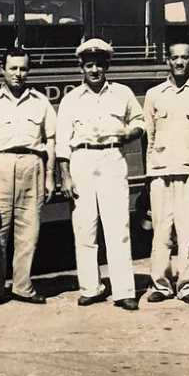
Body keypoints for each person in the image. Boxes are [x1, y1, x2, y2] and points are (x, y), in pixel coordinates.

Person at [56, 38, 145, 311]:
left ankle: (123, 291)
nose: (94, 70)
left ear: (107, 66)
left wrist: (129, 133)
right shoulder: (71, 99)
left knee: (118, 228)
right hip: (82, 160)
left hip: (111, 158)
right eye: (89, 65)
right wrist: (66, 176)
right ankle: (91, 288)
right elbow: (62, 141)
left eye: (99, 65)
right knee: (85, 228)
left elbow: (140, 122)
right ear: (81, 67)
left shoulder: (122, 94)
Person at [0, 46, 55, 304]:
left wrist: (50, 176)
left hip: (32, 165)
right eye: (13, 68)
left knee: (29, 230)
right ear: (2, 70)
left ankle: (23, 286)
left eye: (23, 69)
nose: (18, 74)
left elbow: (50, 140)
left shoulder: (41, 102)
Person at [143, 42, 189, 305]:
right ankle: (161, 285)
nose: (179, 62)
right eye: (174, 58)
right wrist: (151, 174)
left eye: (185, 57)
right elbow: (149, 137)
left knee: (188, 232)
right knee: (161, 232)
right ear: (167, 61)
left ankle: (187, 285)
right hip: (161, 174)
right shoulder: (154, 94)